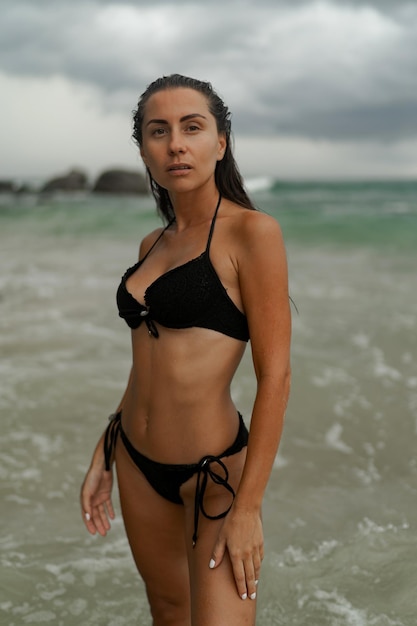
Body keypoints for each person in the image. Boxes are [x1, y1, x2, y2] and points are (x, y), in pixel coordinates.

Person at [80, 73, 291, 626]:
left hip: (213, 474)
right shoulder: (152, 244)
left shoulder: (253, 233)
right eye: (159, 131)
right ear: (144, 151)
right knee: (169, 612)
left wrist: (247, 507)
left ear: (219, 143)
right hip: (135, 463)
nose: (176, 143)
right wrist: (106, 451)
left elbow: (276, 377)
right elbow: (144, 364)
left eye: (192, 127)